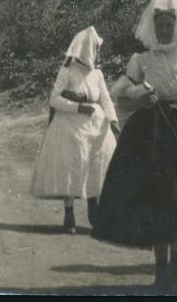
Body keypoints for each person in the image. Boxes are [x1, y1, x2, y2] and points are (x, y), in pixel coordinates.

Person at [92, 0, 177, 290]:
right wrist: (142, 96)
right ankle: (161, 268)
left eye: (168, 25)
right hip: (149, 134)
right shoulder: (141, 60)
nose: (164, 30)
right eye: (159, 26)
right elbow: (123, 96)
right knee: (154, 199)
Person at [30, 27, 119, 234]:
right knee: (71, 167)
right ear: (87, 49)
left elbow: (105, 99)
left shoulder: (97, 74)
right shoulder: (67, 71)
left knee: (95, 164)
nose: (98, 54)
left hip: (94, 124)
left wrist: (113, 120)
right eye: (96, 49)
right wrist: (78, 107)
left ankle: (93, 208)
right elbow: (54, 99)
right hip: (70, 124)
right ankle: (69, 214)